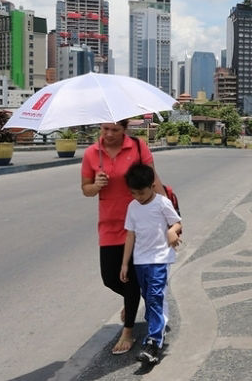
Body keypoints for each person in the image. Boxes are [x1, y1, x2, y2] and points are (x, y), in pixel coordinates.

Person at [81, 119, 166, 355]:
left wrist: (169, 216)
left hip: (140, 224)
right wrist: (96, 185)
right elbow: (85, 189)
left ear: (125, 130)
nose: (109, 134)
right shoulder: (91, 153)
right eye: (105, 129)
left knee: (130, 276)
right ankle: (136, 298)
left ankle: (128, 330)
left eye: (115, 130)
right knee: (111, 277)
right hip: (108, 224)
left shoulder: (138, 148)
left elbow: (154, 180)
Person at [120, 163, 182, 365]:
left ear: (152, 185)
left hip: (160, 259)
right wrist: (125, 264)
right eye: (133, 193)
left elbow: (177, 222)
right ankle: (157, 325)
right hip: (140, 260)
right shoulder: (132, 207)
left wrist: (173, 231)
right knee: (149, 297)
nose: (138, 197)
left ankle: (154, 342)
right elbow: (130, 235)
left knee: (155, 296)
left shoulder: (162, 203)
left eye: (141, 192)